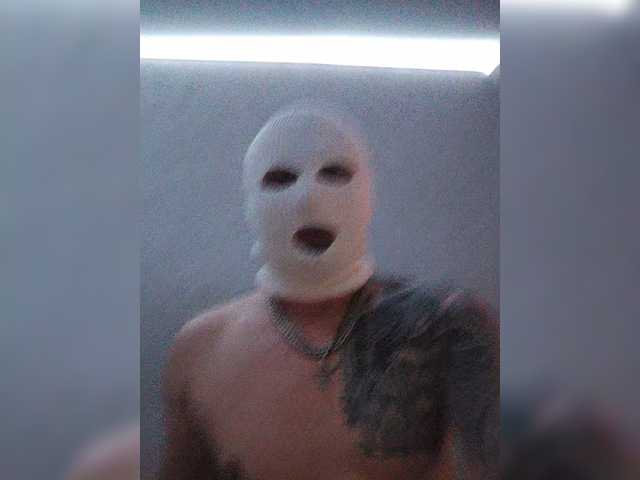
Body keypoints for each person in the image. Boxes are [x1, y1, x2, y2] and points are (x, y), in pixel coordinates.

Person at [158, 102, 498, 479]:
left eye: (334, 173)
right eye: (280, 178)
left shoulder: (446, 327)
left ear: (368, 196)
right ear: (250, 203)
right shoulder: (201, 351)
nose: (308, 198)